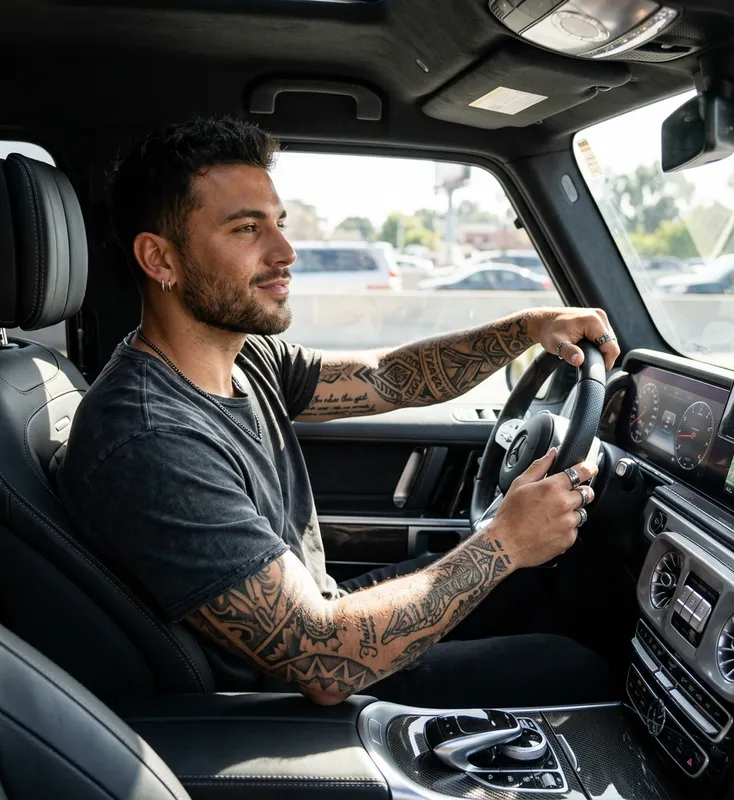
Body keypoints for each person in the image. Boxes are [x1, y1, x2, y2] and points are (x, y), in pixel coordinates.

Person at [58, 117, 621, 709]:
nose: (286, 253)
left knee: (536, 589)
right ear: (160, 259)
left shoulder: (244, 357)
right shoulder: (151, 438)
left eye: (278, 224)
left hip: (321, 615)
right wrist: (505, 541)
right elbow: (321, 661)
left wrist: (528, 328)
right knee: (572, 668)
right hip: (283, 699)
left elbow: (390, 377)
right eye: (247, 228)